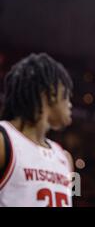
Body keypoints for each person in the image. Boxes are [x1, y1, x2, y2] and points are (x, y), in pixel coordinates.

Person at [0, 53, 74, 207]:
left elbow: (73, 198)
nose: (70, 104)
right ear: (50, 92)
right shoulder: (3, 141)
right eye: (67, 94)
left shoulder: (66, 158)